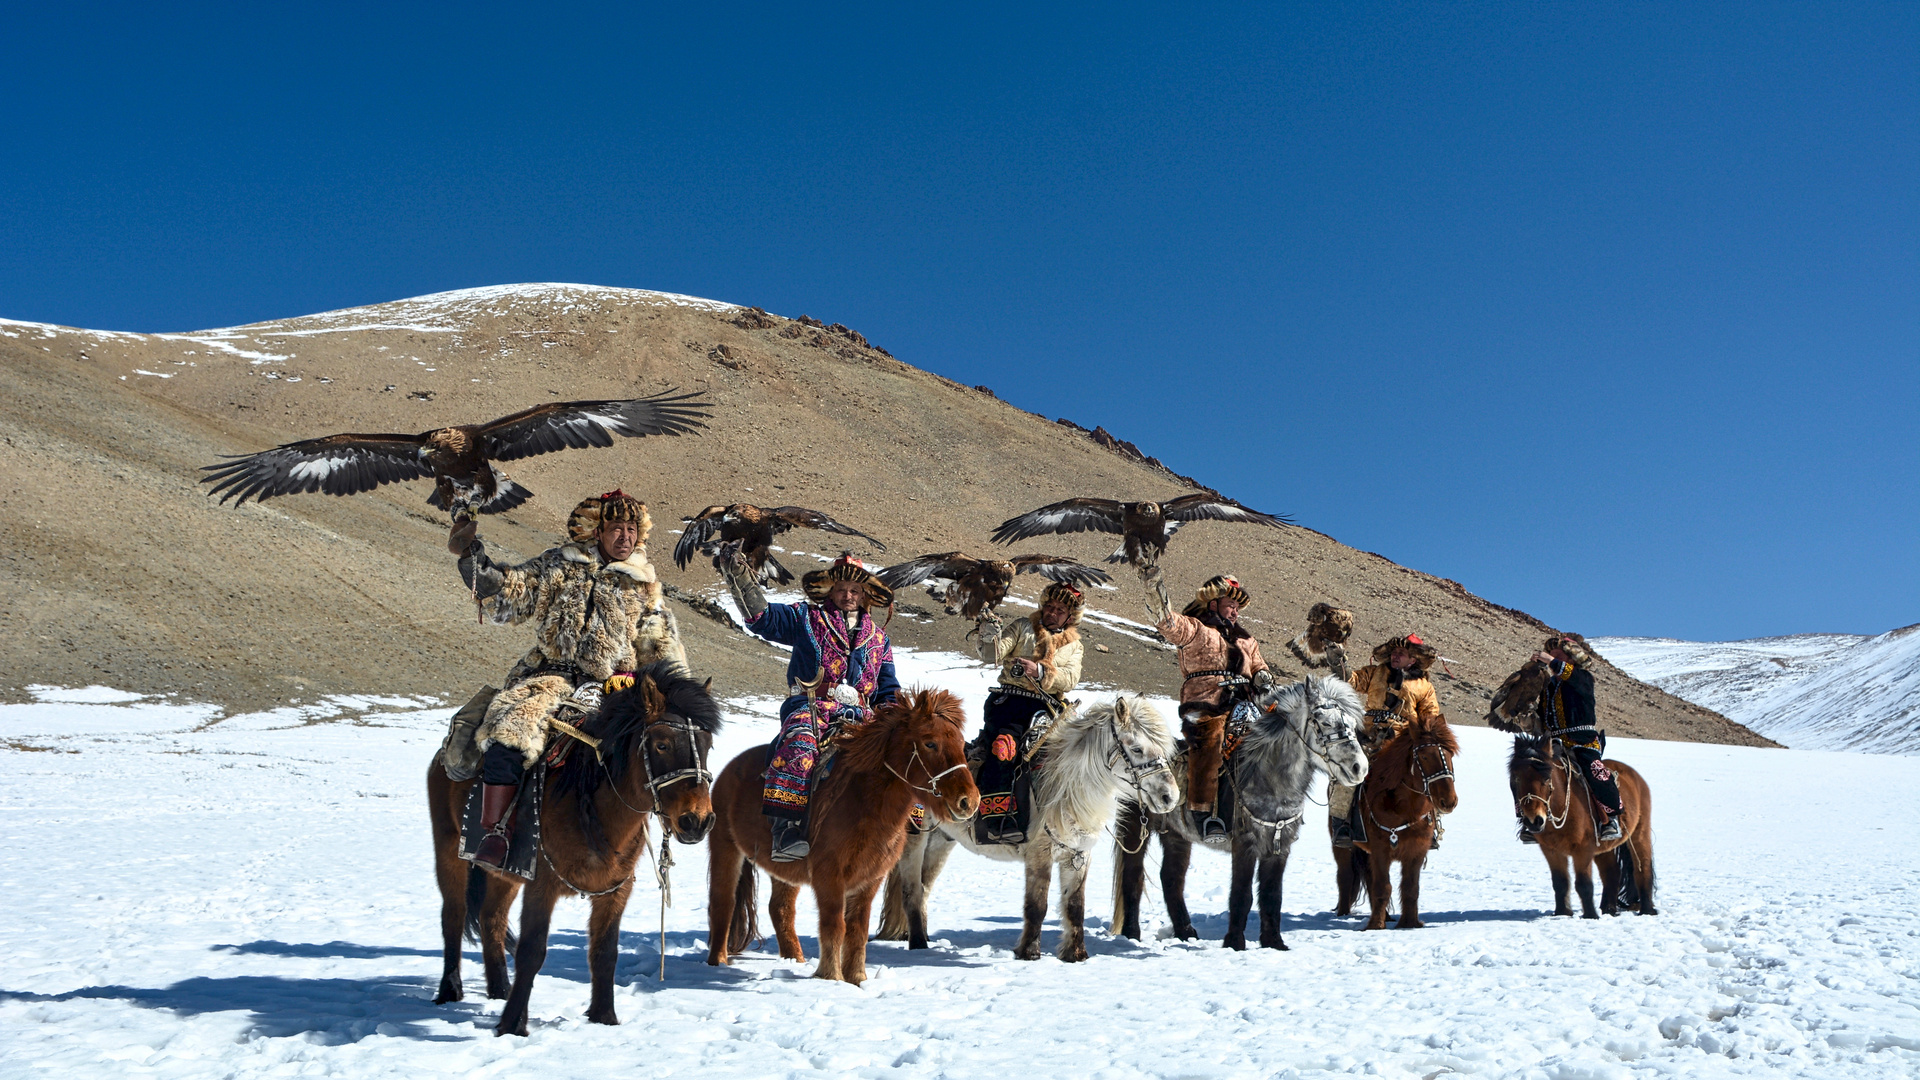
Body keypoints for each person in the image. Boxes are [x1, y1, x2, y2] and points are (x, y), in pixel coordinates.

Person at [449, 490, 687, 871]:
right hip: (548, 678)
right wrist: (470, 557)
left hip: (613, 689)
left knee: (645, 753)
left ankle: (630, 840)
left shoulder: (644, 588)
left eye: (631, 530)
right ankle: (496, 832)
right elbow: (514, 590)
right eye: (616, 528)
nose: (625, 537)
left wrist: (673, 694)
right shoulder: (560, 567)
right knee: (509, 733)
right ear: (597, 531)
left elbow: (661, 650)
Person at [720, 551, 900, 861]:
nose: (847, 596)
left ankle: (904, 825)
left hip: (863, 715)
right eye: (841, 589)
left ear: (864, 595)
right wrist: (741, 579)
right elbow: (764, 619)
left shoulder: (879, 639)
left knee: (902, 752)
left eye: (854, 591)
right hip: (812, 706)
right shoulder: (806, 618)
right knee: (800, 744)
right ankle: (785, 828)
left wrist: (895, 716)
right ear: (830, 590)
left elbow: (887, 687)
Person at [1138, 563, 1273, 844]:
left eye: (1237, 607)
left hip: (1243, 705)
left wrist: (1263, 676)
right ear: (1213, 604)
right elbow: (1167, 622)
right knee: (1210, 742)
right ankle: (1203, 814)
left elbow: (1259, 666)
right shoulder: (1196, 629)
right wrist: (1153, 588)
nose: (1235, 611)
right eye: (1230, 605)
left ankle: (1277, 808)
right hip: (1205, 703)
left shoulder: (1247, 640)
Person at [969, 582, 1087, 844]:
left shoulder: (1075, 646)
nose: (1052, 612)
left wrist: (1040, 672)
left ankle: (1068, 818)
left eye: (1060, 610)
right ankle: (997, 819)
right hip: (1009, 704)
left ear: (1070, 617)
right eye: (1049, 606)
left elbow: (1070, 679)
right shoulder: (1023, 626)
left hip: (1048, 710)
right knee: (1004, 749)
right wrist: (988, 636)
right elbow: (993, 654)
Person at [1330, 634, 1442, 848]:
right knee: (1348, 768)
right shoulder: (1375, 672)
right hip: (1368, 734)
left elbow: (1429, 717)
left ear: (1413, 659)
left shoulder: (1424, 686)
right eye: (1393, 652)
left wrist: (1426, 737)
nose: (1395, 656)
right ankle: (1341, 823)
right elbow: (1352, 681)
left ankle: (1431, 824)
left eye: (1401, 653)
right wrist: (1338, 663)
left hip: (1402, 739)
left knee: (1431, 770)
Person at [1535, 633, 1623, 842]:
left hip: (1582, 741)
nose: (1552, 660)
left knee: (1595, 771)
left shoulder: (1583, 678)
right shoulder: (1548, 685)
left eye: (1558, 656)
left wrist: (1550, 661)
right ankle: (1528, 819)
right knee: (1527, 768)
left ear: (1572, 659)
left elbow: (1569, 674)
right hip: (1552, 742)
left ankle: (1610, 819)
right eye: (1551, 656)